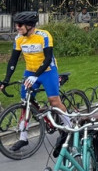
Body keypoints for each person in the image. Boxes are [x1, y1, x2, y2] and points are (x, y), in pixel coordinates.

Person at [2, 11, 70, 150]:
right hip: (30, 71)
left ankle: (69, 129)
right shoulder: (19, 39)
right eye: (16, 24)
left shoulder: (44, 36)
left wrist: (36, 76)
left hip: (47, 71)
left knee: (54, 101)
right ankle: (23, 138)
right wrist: (5, 80)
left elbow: (47, 59)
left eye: (20, 25)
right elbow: (13, 60)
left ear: (30, 25)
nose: (17, 27)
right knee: (25, 102)